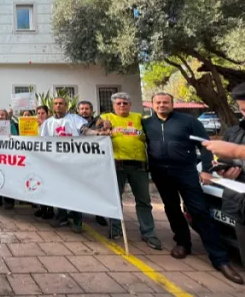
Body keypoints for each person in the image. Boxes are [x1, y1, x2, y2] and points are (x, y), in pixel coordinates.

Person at [142, 92, 242, 284]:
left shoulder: (188, 121)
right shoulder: (146, 123)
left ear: (172, 104)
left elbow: (205, 145)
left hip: (185, 171)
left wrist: (206, 170)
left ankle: (220, 259)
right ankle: (182, 243)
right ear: (153, 105)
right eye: (158, 102)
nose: (162, 105)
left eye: (166, 102)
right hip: (160, 173)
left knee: (199, 211)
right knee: (171, 209)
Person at [100, 93, 161, 248]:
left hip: (138, 164)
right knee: (115, 199)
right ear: (113, 105)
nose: (122, 106)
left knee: (143, 201)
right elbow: (93, 130)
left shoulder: (139, 118)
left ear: (130, 105)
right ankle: (116, 229)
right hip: (116, 164)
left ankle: (149, 233)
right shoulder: (105, 117)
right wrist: (102, 129)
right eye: (119, 103)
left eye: (125, 103)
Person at [40, 97, 92, 233]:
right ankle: (62, 216)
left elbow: (85, 131)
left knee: (75, 190)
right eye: (56, 104)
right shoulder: (47, 123)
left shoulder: (75, 119)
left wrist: (98, 133)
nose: (58, 106)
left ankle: (77, 219)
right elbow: (42, 142)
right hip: (56, 162)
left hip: (74, 162)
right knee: (59, 190)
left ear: (66, 106)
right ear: (52, 106)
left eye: (61, 104)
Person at [208, 83, 245, 268]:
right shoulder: (235, 132)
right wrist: (223, 172)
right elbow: (226, 160)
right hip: (239, 205)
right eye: (243, 110)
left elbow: (236, 152)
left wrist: (238, 151)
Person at [77, 100, 109, 227]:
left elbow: (105, 133)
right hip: (79, 160)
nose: (84, 111)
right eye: (82, 109)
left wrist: (105, 129)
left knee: (96, 188)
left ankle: (99, 213)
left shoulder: (99, 121)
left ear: (91, 110)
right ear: (78, 111)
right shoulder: (74, 121)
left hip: (95, 161)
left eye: (86, 108)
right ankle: (77, 216)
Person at [0, 109, 18, 210]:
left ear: (6, 116)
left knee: (8, 178)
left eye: (3, 115)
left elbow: (16, 138)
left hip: (8, 156)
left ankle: (9, 201)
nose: (0, 116)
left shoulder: (11, 126)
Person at [33, 104, 53, 218]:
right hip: (37, 158)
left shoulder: (51, 124)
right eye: (38, 113)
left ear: (47, 114)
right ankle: (42, 207)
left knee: (48, 183)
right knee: (39, 182)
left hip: (48, 158)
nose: (40, 115)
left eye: (43, 113)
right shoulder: (32, 125)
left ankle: (50, 209)